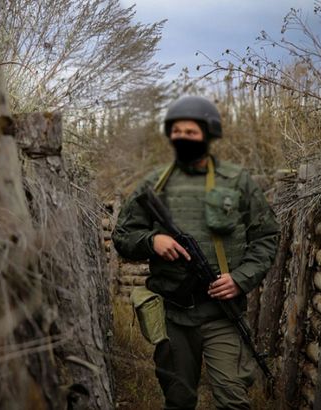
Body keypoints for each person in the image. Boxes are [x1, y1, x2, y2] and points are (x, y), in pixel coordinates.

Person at [112, 95, 280, 409]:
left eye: (191, 132)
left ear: (208, 134)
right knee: (178, 399)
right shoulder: (154, 183)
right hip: (172, 314)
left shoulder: (238, 181)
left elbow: (266, 237)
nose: (183, 138)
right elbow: (123, 235)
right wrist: (152, 242)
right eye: (177, 132)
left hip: (222, 314)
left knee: (233, 399)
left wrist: (240, 279)